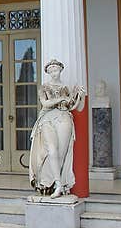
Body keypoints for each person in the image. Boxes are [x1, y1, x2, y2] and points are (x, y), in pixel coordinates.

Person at [29, 59, 85, 198]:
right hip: (47, 118)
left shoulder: (66, 88)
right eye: (51, 70)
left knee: (61, 153)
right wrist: (60, 100)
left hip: (64, 118)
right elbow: (45, 103)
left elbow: (76, 107)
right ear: (48, 72)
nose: (54, 72)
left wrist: (81, 96)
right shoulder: (44, 87)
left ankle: (57, 184)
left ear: (60, 70)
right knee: (52, 150)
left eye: (56, 69)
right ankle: (55, 183)